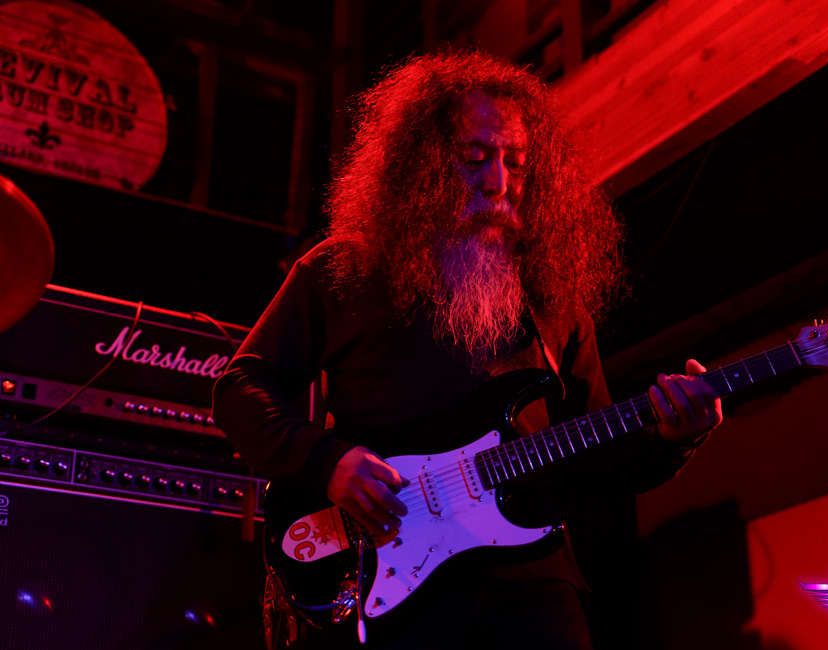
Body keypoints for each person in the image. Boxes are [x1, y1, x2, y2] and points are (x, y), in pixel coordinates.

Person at [212, 50, 721, 649]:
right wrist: (329, 463)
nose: (498, 182)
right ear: (418, 165)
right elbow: (240, 388)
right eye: (474, 159)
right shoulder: (343, 271)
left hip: (533, 584)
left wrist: (673, 437)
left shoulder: (553, 303)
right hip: (392, 574)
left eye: (516, 163)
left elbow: (598, 460)